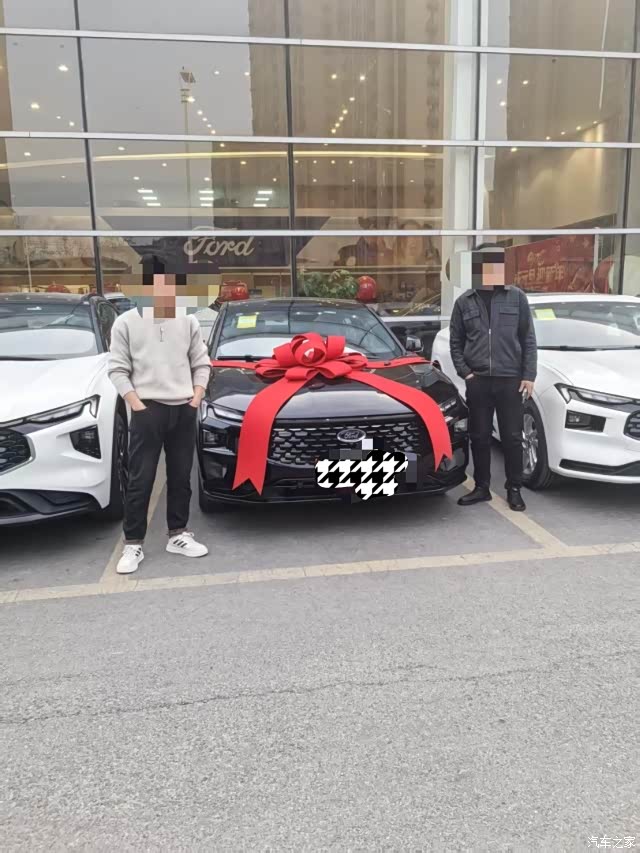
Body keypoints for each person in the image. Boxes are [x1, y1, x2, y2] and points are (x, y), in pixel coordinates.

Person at [108, 255, 212, 574]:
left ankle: (178, 534)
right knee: (141, 479)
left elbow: (202, 362)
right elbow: (117, 369)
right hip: (148, 409)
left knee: (181, 476)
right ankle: (133, 544)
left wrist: (195, 398)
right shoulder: (125, 322)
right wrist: (137, 404)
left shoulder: (187, 320)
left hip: (184, 408)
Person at [449, 244, 537, 512]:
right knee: (479, 436)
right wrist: (466, 373)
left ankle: (514, 488)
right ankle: (482, 487)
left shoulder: (517, 298)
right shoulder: (464, 302)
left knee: (512, 437)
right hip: (478, 381)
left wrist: (529, 375)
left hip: (510, 379)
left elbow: (528, 339)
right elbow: (456, 342)